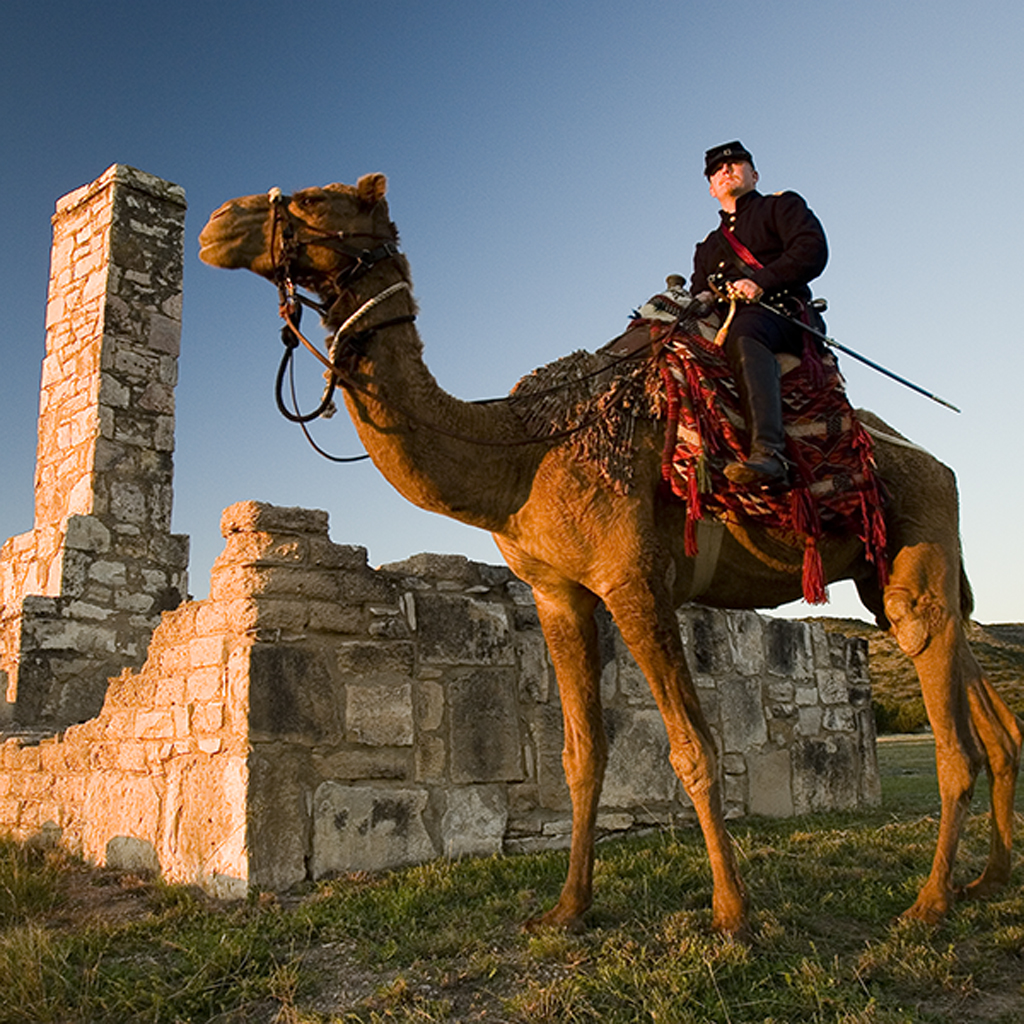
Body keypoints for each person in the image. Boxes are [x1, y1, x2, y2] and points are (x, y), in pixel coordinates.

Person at [691, 141, 828, 485]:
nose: (726, 170)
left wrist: (761, 282)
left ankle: (770, 454)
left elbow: (811, 249)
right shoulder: (707, 247)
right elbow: (698, 292)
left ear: (753, 175)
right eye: (717, 170)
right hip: (728, 323)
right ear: (711, 189)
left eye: (735, 164)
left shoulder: (781, 207)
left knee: (746, 331)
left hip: (783, 315)